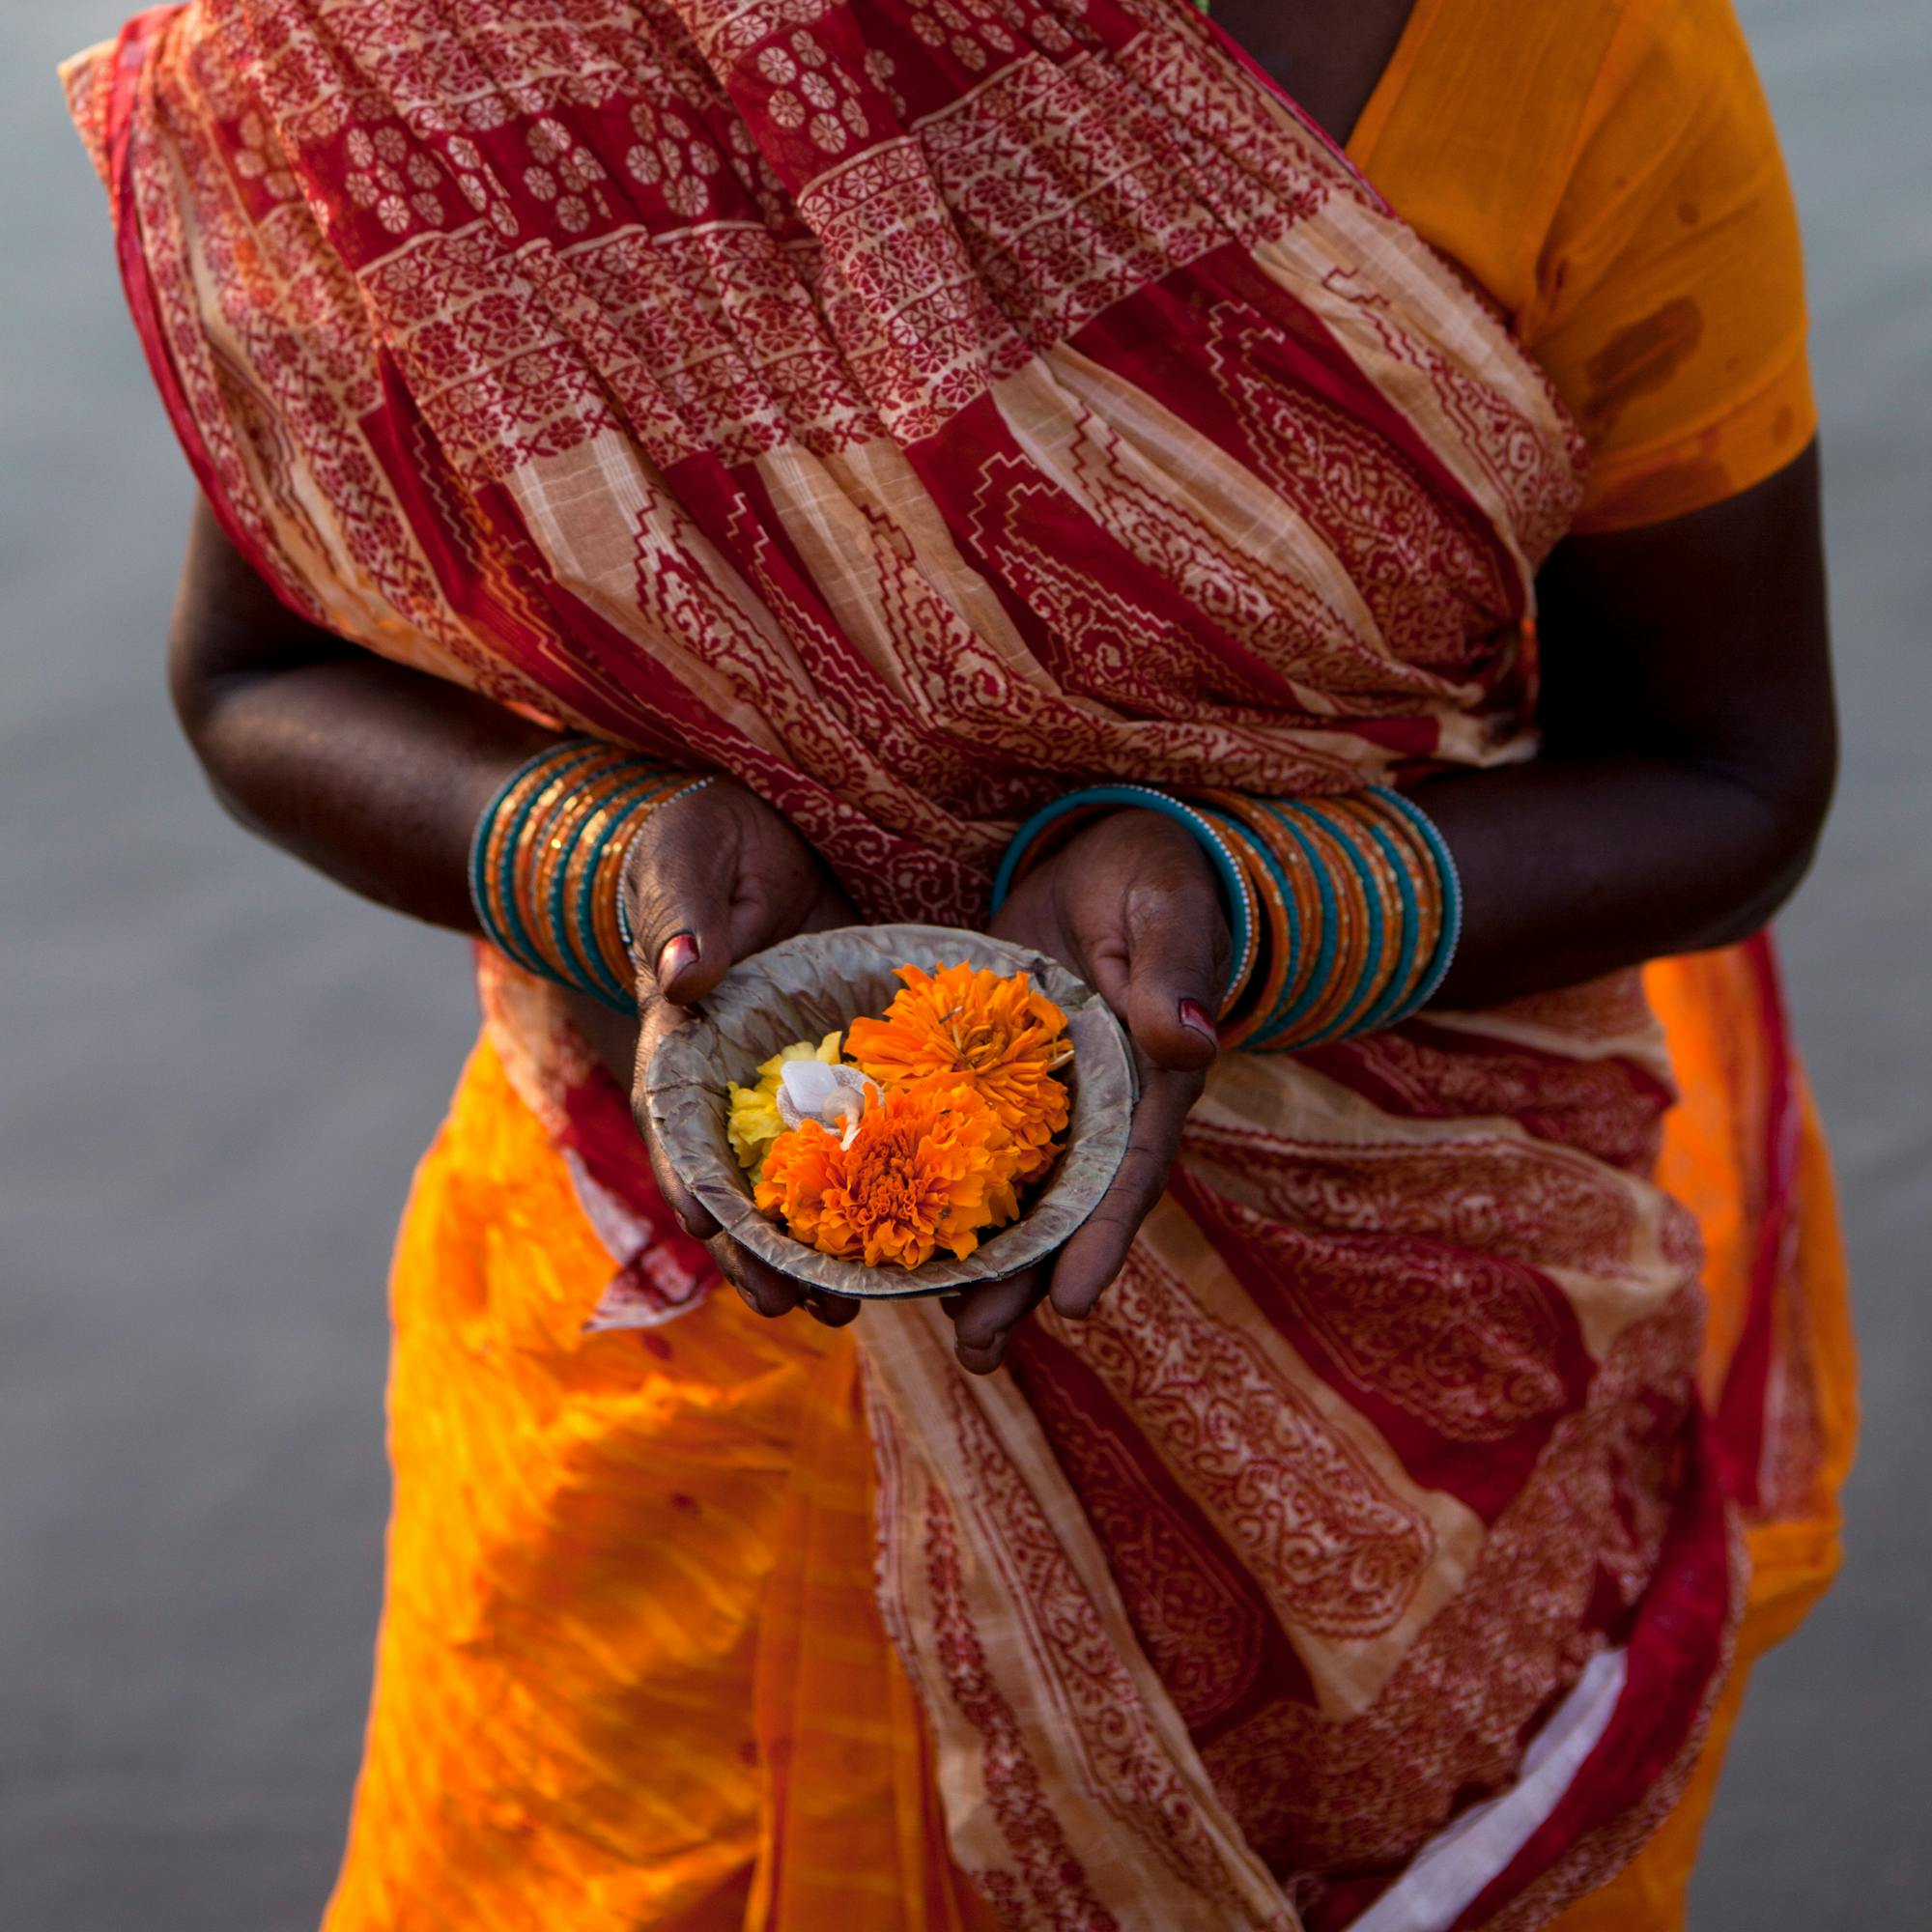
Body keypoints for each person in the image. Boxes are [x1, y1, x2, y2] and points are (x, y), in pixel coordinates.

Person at [64, 0, 1855, 1925]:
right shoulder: (416, 50)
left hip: (1388, 1408)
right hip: (669, 1375)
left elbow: (1722, 767)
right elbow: (256, 677)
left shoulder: (1558, 55)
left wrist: (1244, 913)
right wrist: (618, 864)